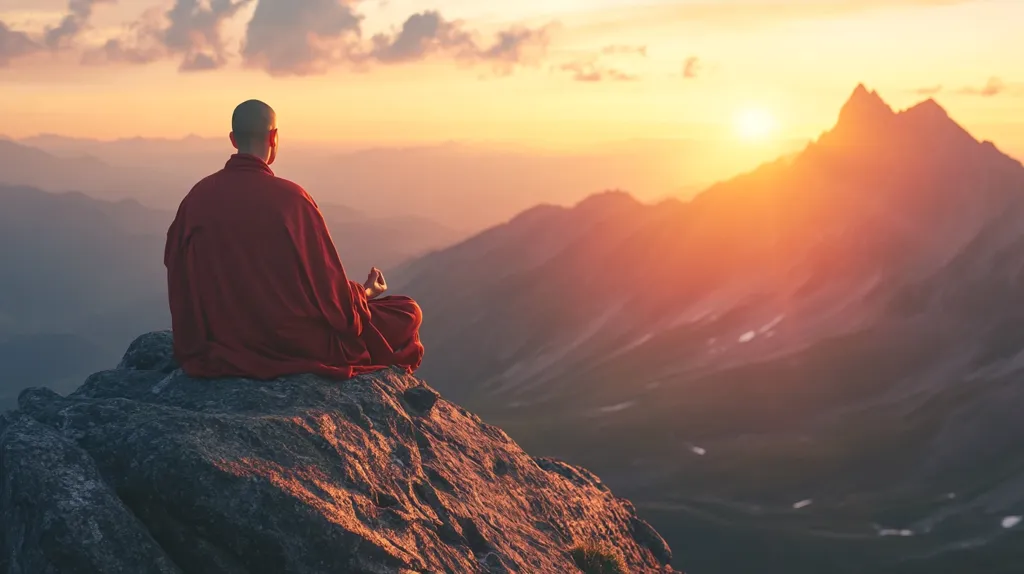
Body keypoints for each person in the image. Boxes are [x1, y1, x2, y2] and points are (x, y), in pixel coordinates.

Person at [164, 99, 424, 380]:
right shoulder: (292, 200)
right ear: (274, 137)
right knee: (408, 311)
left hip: (221, 339)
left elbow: (179, 278)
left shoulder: (196, 198)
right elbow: (332, 299)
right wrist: (366, 293)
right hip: (292, 341)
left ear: (233, 139)